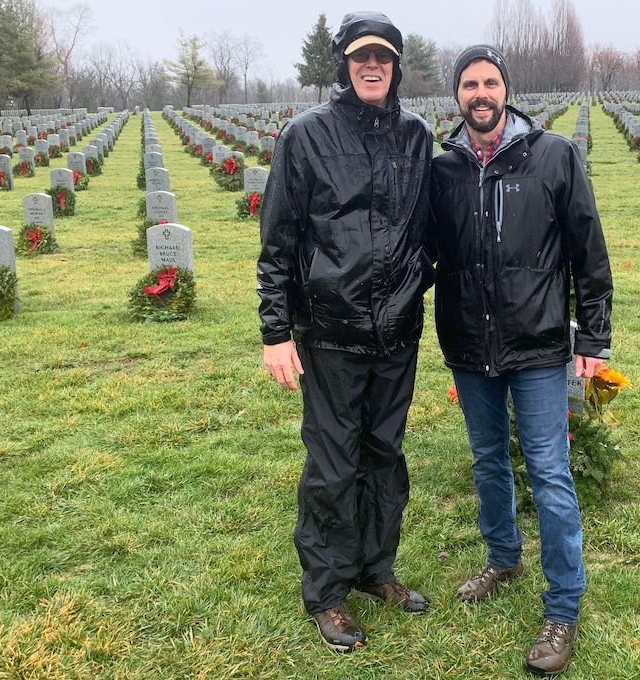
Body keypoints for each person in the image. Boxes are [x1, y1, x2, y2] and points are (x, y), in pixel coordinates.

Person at [429, 45, 613, 677]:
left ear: (506, 90)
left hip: (537, 345)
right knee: (486, 461)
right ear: (457, 96)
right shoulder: (444, 170)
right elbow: (422, 256)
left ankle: (562, 606)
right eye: (470, 84)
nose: (480, 93)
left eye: (491, 82)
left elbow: (588, 250)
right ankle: (502, 557)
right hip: (469, 345)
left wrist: (592, 338)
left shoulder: (553, 156)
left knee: (549, 472)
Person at [256, 11, 434, 654]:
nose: (372, 67)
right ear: (343, 64)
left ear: (395, 67)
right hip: (330, 334)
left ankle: (374, 568)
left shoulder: (416, 136)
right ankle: (327, 590)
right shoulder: (304, 137)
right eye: (361, 57)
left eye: (383, 58)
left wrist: (418, 283)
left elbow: (428, 229)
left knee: (385, 455)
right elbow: (278, 243)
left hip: (397, 332)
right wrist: (277, 332)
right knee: (333, 465)